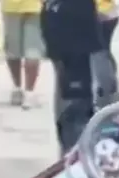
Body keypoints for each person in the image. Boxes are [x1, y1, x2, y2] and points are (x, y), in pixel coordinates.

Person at [41, 0, 103, 152]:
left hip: (68, 18)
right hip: (69, 23)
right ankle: (72, 148)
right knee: (73, 94)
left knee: (70, 89)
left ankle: (70, 146)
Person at [1, 0, 44, 109]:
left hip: (12, 6)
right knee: (31, 50)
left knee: (14, 50)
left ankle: (19, 89)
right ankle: (27, 93)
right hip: (33, 6)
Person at [93, 0, 119, 106]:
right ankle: (111, 87)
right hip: (110, 11)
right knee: (105, 52)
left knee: (99, 54)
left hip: (97, 12)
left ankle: (106, 94)